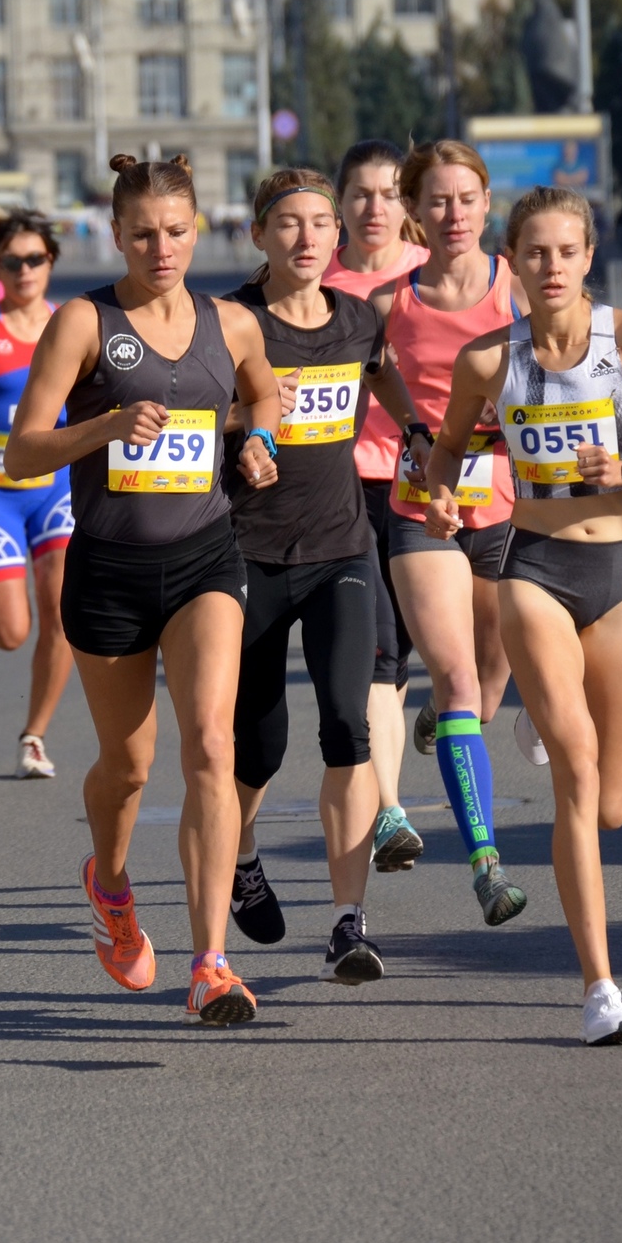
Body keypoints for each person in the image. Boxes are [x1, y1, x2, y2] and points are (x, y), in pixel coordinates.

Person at [432, 186, 622, 1043]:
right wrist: (442, 503)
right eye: (535, 253)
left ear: (588, 258)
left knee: (611, 804)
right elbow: (451, 447)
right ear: (513, 261)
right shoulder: (488, 362)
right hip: (534, 567)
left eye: (566, 252)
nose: (551, 267)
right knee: (574, 769)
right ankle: (601, 987)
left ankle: (544, 701)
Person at [3, 152, 283, 1024]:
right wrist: (106, 426)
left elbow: (263, 394)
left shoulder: (231, 324)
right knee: (129, 766)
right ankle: (111, 881)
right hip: (111, 567)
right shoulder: (83, 323)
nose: (161, 248)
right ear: (118, 236)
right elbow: (20, 452)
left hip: (206, 556)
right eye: (142, 234)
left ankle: (210, 963)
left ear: (199, 231)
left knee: (209, 741)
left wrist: (258, 439)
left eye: (176, 231)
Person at [219, 166, 409, 984]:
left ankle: (347, 920)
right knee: (257, 746)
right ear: (260, 233)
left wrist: (423, 436)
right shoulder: (229, 321)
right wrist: (246, 430)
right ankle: (240, 853)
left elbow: (382, 375)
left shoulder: (359, 319)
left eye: (321, 224)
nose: (307, 239)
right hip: (250, 553)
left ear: (338, 238)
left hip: (341, 548)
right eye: (289, 224)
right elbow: (192, 405)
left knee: (348, 727)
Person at [364, 139, 530, 927]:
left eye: (466, 198)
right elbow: (373, 370)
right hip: (419, 505)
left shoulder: (519, 284)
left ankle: (438, 715)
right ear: (414, 211)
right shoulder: (392, 302)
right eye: (437, 200)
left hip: (503, 505)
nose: (453, 213)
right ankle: (486, 866)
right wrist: (415, 429)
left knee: (486, 692)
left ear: (487, 204)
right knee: (460, 681)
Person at [322, 138, 433, 874]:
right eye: (360, 193)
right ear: (341, 204)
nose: (375, 207)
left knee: (452, 657)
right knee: (380, 655)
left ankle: (456, 705)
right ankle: (391, 806)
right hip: (346, 487)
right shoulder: (316, 280)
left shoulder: (435, 278)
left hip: (435, 483)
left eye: (390, 192)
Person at [0, 208, 75, 780]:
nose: (24, 270)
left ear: (50, 263)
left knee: (61, 613)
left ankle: (34, 736)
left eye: (35, 259)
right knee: (12, 631)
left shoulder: (71, 324)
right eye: (12, 261)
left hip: (57, 489)